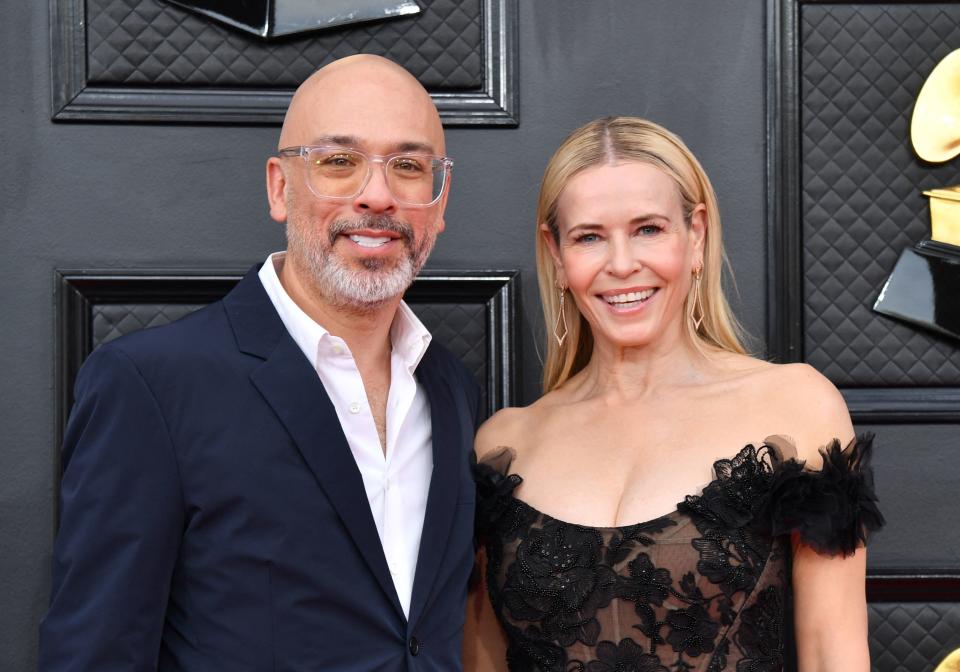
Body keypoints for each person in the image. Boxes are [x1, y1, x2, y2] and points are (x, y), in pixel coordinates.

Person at [39, 55, 481, 672]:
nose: (377, 195)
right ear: (279, 186)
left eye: (408, 167)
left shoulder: (450, 390)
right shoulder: (151, 386)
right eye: (339, 161)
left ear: (438, 200)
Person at [466, 117, 884, 671]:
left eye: (648, 229)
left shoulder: (795, 406)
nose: (621, 264)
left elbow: (834, 654)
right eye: (589, 236)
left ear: (697, 236)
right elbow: (482, 659)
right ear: (557, 255)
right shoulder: (505, 442)